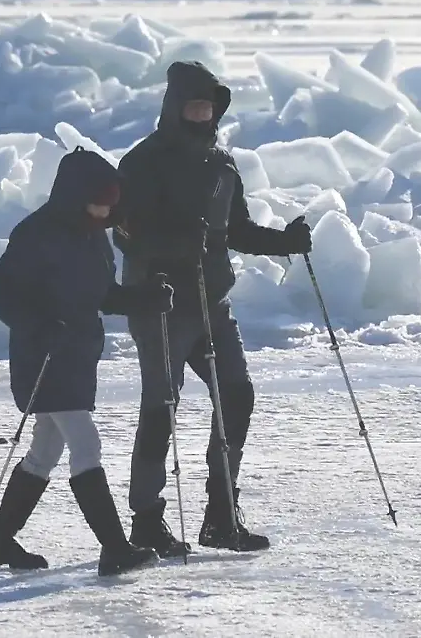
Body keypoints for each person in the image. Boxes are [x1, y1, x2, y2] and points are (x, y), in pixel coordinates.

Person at [113, 61, 313, 556]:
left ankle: (221, 515)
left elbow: (236, 231)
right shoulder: (143, 162)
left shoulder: (221, 163)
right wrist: (172, 246)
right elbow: (124, 233)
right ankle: (146, 521)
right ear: (174, 107)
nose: (201, 114)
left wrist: (283, 241)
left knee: (238, 395)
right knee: (161, 408)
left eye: (209, 106)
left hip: (212, 306)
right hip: (160, 305)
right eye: (193, 105)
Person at [0, 146, 175, 577]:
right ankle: (115, 548)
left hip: (78, 357)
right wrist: (39, 325)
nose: (107, 211)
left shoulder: (94, 236)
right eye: (99, 201)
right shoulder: (34, 234)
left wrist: (146, 298)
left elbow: (103, 295)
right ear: (74, 195)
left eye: (111, 204)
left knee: (44, 452)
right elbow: (0, 295)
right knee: (86, 446)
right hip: (44, 358)